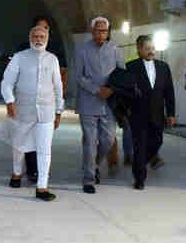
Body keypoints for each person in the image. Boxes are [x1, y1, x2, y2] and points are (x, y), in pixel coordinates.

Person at [104, 35, 176, 190]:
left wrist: (171, 113)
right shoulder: (130, 67)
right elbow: (121, 91)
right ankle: (139, 178)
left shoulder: (164, 67)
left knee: (157, 142)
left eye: (152, 48)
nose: (151, 51)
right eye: (147, 48)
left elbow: (169, 91)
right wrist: (123, 113)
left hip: (157, 114)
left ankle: (141, 163)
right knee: (139, 146)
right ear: (139, 49)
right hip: (137, 114)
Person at [2, 25, 64, 201]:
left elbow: (58, 86)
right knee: (19, 144)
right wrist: (9, 101)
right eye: (35, 36)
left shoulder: (52, 59)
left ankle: (42, 187)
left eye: (42, 37)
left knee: (45, 149)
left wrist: (59, 110)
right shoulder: (20, 58)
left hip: (46, 111)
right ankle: (16, 173)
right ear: (30, 38)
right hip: (22, 109)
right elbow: (7, 82)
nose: (38, 39)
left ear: (47, 39)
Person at [75, 16, 124, 194]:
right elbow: (79, 77)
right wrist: (97, 90)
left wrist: (111, 89)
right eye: (98, 30)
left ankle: (94, 164)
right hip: (88, 102)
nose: (101, 33)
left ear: (108, 32)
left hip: (109, 103)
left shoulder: (115, 50)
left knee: (108, 140)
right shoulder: (82, 50)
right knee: (89, 141)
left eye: (104, 30)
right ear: (92, 31)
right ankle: (88, 179)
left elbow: (121, 74)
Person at [16, 15, 67, 183]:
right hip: (26, 108)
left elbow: (60, 81)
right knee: (27, 142)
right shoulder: (22, 52)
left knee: (43, 145)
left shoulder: (54, 55)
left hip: (46, 108)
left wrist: (59, 108)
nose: (40, 34)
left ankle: (42, 179)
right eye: (37, 30)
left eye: (44, 30)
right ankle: (31, 171)